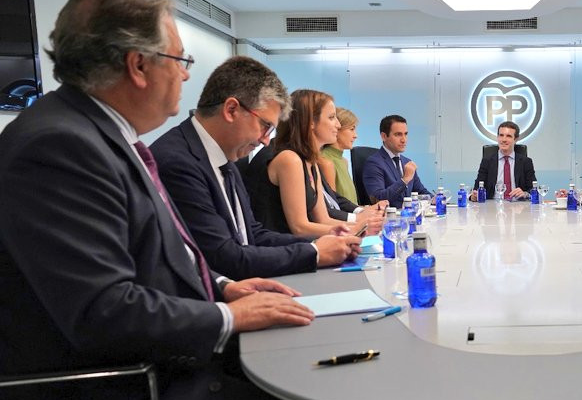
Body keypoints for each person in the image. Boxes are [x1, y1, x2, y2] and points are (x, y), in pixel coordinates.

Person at [0, 0, 326, 400]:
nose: (185, 75)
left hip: (145, 361)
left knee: (290, 392)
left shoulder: (97, 135)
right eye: (181, 60)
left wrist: (225, 288)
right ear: (139, 65)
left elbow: (165, 257)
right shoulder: (58, 148)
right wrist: (230, 319)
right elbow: (101, 311)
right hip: (103, 394)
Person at [151, 56, 365, 279]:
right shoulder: (179, 162)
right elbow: (222, 257)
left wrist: (321, 240)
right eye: (265, 126)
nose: (265, 141)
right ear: (232, 110)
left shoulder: (226, 157)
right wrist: (313, 253)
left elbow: (252, 234)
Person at [245, 89, 371, 236]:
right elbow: (299, 228)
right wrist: (355, 230)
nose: (337, 124)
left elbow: (323, 219)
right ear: (311, 121)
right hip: (277, 251)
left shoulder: (310, 160)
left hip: (296, 248)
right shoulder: (289, 159)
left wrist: (364, 226)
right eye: (331, 117)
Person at [361, 114, 432, 208]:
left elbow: (421, 192)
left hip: (408, 216)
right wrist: (404, 180)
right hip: (388, 219)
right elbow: (379, 198)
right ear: (384, 136)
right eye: (398, 134)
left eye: (405, 134)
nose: (404, 140)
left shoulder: (407, 162)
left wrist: (435, 199)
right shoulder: (373, 163)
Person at [469, 120, 537, 201]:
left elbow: (533, 190)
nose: (504, 139)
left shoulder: (526, 162)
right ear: (497, 137)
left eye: (508, 136)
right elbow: (477, 189)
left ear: (516, 139)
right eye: (501, 135)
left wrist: (525, 194)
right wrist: (474, 197)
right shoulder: (487, 161)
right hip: (492, 208)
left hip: (518, 207)